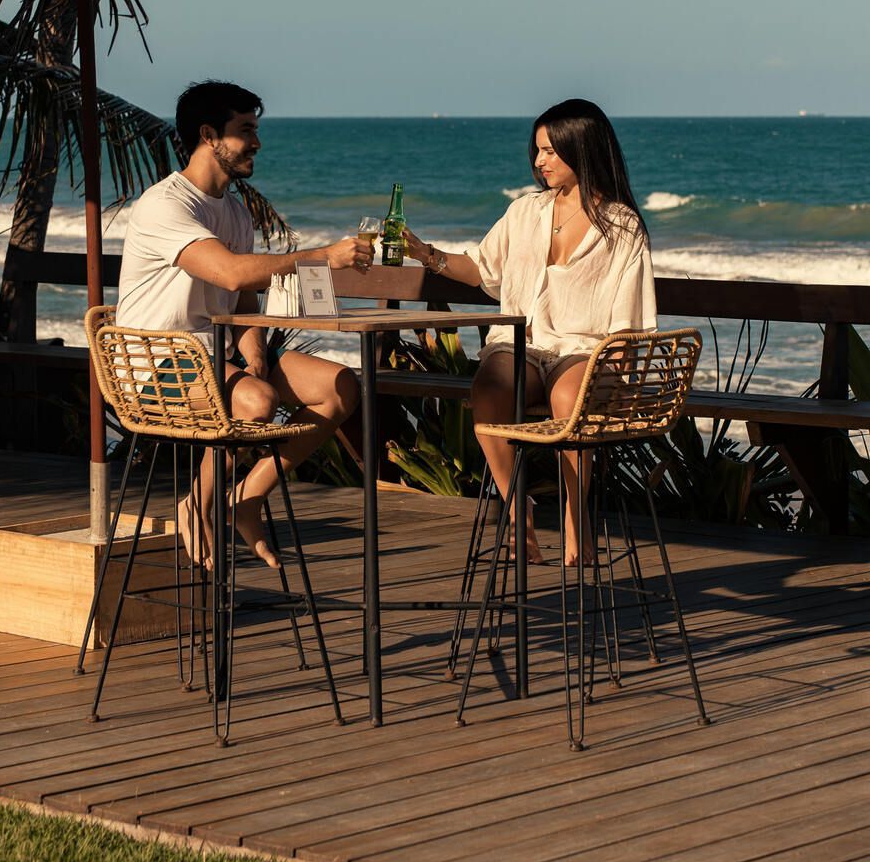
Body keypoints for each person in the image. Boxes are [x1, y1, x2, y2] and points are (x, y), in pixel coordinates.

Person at [117, 79, 370, 569]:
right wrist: (325, 256)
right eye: (245, 130)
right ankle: (198, 503)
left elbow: (244, 295)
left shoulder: (234, 210)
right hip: (153, 363)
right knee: (256, 403)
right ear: (209, 135)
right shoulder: (165, 205)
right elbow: (230, 270)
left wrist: (253, 353)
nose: (257, 143)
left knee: (339, 387)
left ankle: (247, 499)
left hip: (213, 355)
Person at [402, 99, 655, 565]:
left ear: (582, 150)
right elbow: (481, 267)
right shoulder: (523, 213)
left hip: (583, 350)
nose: (539, 162)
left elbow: (628, 321)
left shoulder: (622, 227)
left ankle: (577, 522)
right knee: (490, 386)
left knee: (568, 401)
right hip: (522, 343)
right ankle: (520, 512)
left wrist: (617, 378)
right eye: (537, 151)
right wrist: (425, 253)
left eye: (550, 152)